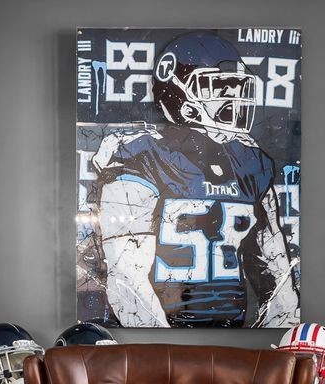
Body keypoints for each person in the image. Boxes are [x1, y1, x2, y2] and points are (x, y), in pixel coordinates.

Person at [92, 32, 299, 328]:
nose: (233, 98)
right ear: (177, 92)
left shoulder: (252, 162)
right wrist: (163, 349)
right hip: (163, 332)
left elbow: (278, 282)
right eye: (221, 87)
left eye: (237, 87)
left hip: (232, 336)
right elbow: (128, 282)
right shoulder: (140, 156)